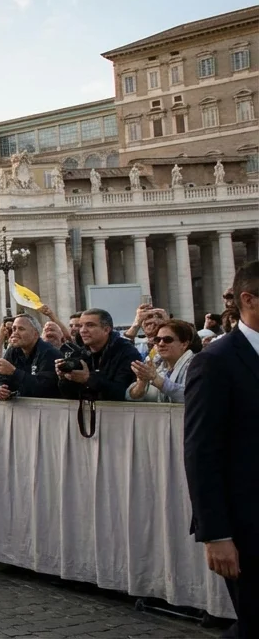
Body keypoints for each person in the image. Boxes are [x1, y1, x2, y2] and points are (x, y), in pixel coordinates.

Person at [184, 260, 259, 636]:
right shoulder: (214, 362)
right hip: (248, 525)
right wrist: (216, 534)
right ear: (249, 299)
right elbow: (201, 452)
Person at [55, 308, 140, 401]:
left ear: (106, 329)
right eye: (81, 326)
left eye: (90, 325)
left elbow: (123, 393)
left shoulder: (127, 352)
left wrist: (88, 379)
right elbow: (70, 396)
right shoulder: (80, 352)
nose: (83, 330)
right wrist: (64, 378)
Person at [0, 314, 61, 400]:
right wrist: (1, 388)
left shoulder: (49, 352)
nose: (15, 333)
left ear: (35, 334)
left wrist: (14, 372)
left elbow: (43, 388)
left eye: (21, 329)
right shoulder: (13, 350)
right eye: (14, 329)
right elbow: (2, 378)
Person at [127, 319, 197, 403]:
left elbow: (194, 396)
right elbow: (129, 397)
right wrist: (141, 384)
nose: (161, 344)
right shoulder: (154, 363)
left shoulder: (197, 364)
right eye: (157, 340)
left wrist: (157, 379)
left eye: (167, 340)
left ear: (184, 344)